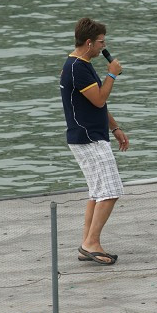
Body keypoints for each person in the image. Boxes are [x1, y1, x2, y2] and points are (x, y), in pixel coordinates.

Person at [59, 17, 129, 266]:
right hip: (87, 138)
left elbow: (95, 103)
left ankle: (86, 242)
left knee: (97, 192)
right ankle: (92, 243)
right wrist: (112, 74)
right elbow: (99, 99)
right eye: (101, 42)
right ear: (88, 43)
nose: (104, 46)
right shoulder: (77, 67)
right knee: (111, 191)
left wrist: (115, 127)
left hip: (90, 135)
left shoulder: (81, 63)